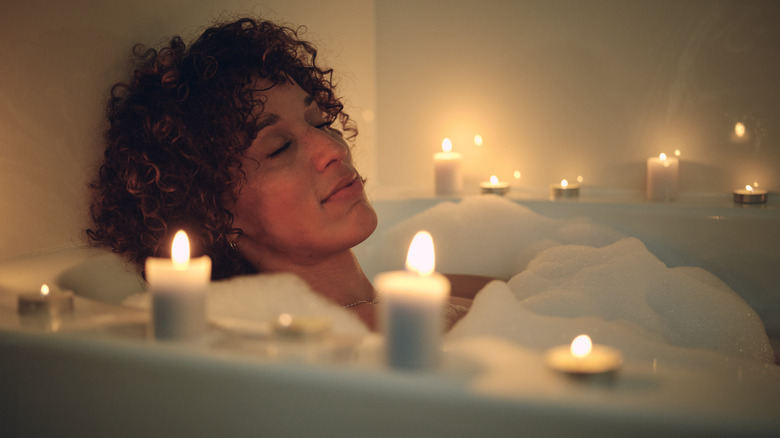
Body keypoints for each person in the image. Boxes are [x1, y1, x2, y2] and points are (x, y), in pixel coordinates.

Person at [87, 17, 479, 330]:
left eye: (321, 122)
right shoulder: (339, 349)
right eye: (279, 147)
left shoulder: (419, 297)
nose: (334, 149)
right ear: (211, 208)